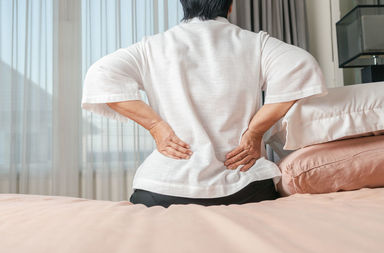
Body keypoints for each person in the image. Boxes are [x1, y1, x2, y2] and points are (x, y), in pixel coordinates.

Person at [81, 0, 327, 208]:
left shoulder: (152, 47)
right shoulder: (256, 44)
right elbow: (302, 64)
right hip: (244, 186)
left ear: (184, 5)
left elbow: (100, 74)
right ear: (230, 7)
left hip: (163, 189)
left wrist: (156, 126)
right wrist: (255, 131)